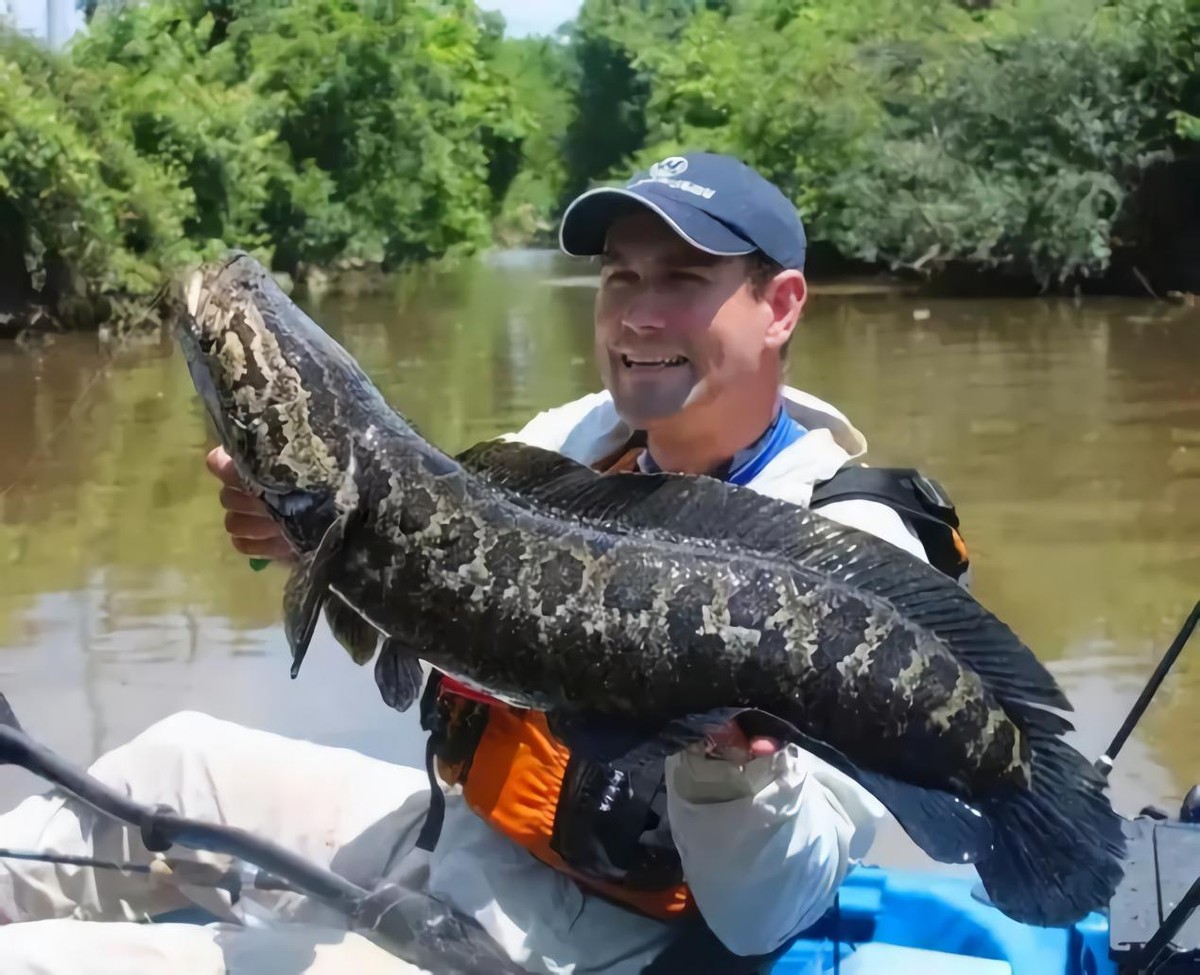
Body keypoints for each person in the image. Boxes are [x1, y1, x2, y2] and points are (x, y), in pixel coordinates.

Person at [0, 152, 962, 973]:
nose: (637, 315)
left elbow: (768, 910)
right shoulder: (581, 438)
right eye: (621, 278)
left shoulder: (850, 559)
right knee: (173, 757)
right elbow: (423, 588)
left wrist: (726, 761)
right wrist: (301, 541)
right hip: (457, 833)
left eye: (682, 279)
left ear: (781, 304)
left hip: (575, 942)